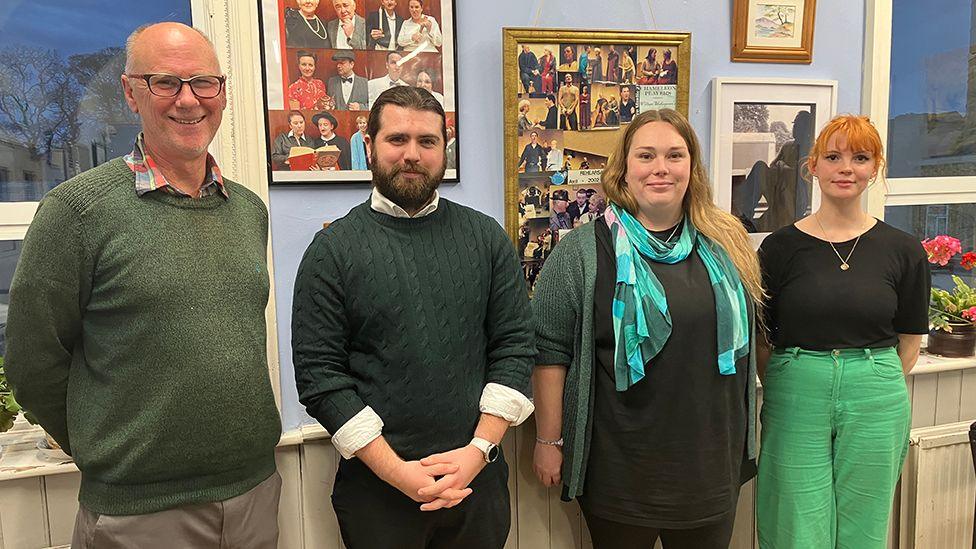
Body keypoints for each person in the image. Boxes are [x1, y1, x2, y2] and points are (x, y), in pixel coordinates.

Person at [4, 22, 281, 548]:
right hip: (137, 513)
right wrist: (107, 450)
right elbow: (32, 361)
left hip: (254, 493)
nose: (188, 100)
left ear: (222, 93)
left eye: (204, 82)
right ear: (131, 93)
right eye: (165, 82)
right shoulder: (78, 212)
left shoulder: (247, 211)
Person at [292, 85, 535, 549]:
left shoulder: (486, 239)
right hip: (377, 495)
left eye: (427, 141)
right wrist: (399, 473)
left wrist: (477, 451)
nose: (412, 154)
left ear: (445, 148)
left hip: (476, 485)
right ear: (369, 146)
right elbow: (321, 379)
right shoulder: (332, 252)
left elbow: (515, 347)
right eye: (397, 139)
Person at [531, 109, 762, 549]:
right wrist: (548, 440)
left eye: (675, 155)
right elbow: (549, 352)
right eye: (646, 155)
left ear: (691, 166)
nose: (661, 167)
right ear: (624, 168)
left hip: (710, 465)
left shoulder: (728, 244)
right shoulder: (581, 252)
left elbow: (753, 342)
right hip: (619, 470)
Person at [756, 115, 930, 549]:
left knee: (864, 523)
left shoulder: (903, 250)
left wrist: (868, 379)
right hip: (797, 388)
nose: (846, 168)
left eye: (860, 157)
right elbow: (762, 337)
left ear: (875, 168)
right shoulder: (778, 248)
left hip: (875, 392)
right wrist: (786, 379)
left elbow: (909, 340)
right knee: (794, 521)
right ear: (813, 166)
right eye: (833, 157)